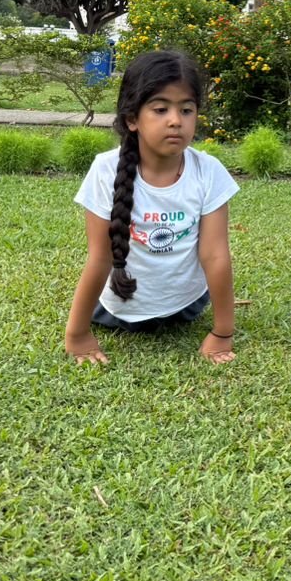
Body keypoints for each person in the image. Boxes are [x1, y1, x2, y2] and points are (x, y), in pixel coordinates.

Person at [64, 49, 239, 365]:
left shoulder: (208, 171)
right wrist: (77, 335)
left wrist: (222, 333)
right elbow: (100, 257)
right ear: (132, 119)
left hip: (186, 307)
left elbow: (215, 255)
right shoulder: (105, 170)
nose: (175, 121)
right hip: (115, 311)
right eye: (160, 109)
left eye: (187, 110)